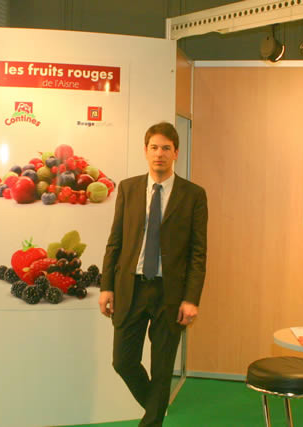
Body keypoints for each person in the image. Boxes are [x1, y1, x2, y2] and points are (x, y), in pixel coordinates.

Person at [99, 121, 208, 426]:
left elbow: (198, 252)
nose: (159, 154)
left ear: (176, 153)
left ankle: (152, 421)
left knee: (161, 369)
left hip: (170, 293)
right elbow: (115, 241)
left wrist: (191, 298)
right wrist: (107, 286)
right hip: (130, 288)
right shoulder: (129, 188)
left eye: (166, 148)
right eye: (154, 147)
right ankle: (156, 408)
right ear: (145, 151)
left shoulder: (193, 195)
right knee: (123, 361)